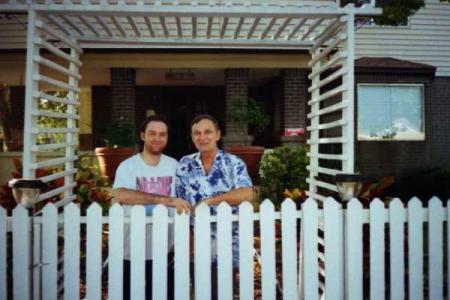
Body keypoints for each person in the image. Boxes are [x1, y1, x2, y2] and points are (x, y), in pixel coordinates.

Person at [175, 114, 254, 297]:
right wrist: (188, 242)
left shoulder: (233, 163)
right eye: (197, 133)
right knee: (200, 292)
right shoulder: (185, 164)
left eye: (208, 132)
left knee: (223, 293)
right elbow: (180, 204)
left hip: (227, 244)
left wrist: (209, 201)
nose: (202, 137)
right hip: (197, 243)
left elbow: (247, 193)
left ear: (218, 134)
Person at [113, 115, 191, 299]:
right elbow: (121, 195)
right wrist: (164, 200)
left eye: (162, 134)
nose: (158, 138)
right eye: (152, 133)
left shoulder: (174, 165)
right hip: (132, 250)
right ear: (142, 136)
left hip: (166, 250)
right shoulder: (128, 166)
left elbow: (185, 200)